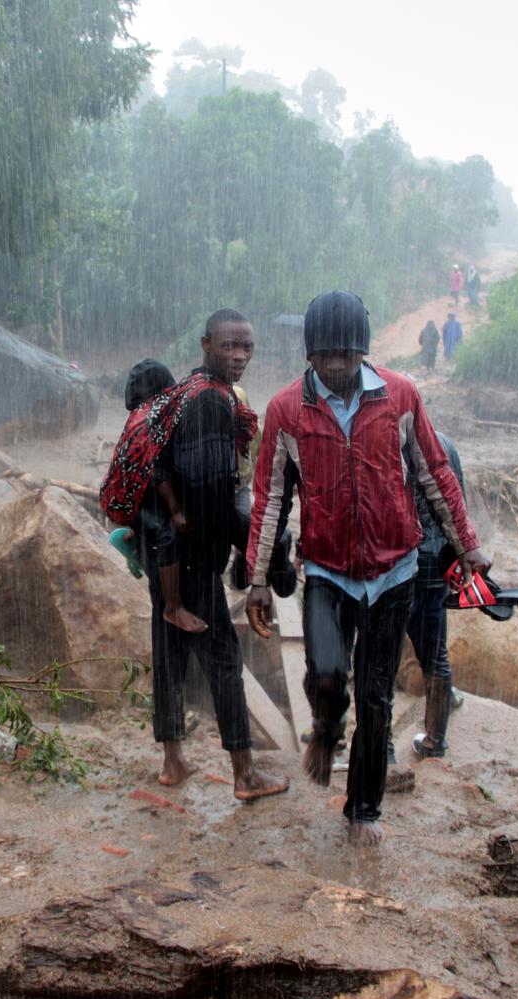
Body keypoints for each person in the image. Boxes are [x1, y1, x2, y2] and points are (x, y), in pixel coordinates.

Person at [245, 291, 488, 846]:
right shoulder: (287, 411)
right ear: (309, 354)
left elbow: (435, 474)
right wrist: (258, 579)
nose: (335, 367)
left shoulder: (400, 396)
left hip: (395, 572)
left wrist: (467, 545)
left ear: (363, 351)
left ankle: (364, 811)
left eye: (346, 356)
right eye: (324, 356)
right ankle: (327, 723)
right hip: (327, 573)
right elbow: (270, 498)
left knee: (377, 695)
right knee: (327, 674)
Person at [150, 310, 288, 802]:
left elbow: (166, 468)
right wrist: (249, 555)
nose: (239, 357)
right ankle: (244, 774)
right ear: (206, 343)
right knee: (225, 663)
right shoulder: (212, 403)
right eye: (229, 346)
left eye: (247, 348)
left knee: (168, 658)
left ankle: (172, 761)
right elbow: (211, 489)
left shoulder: (184, 391)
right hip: (191, 557)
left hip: (162, 555)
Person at [109, 359, 209, 634]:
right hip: (133, 497)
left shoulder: (145, 413)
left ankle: (131, 539)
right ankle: (173, 608)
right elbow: (156, 471)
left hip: (132, 495)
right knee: (167, 535)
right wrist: (176, 509)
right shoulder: (151, 419)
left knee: (155, 525)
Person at [408, 431, 464, 759]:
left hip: (400, 563)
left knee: (382, 654)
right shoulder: (446, 443)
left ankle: (382, 745)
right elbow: (460, 505)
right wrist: (461, 552)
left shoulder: (389, 439)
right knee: (435, 652)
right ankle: (435, 739)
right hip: (436, 561)